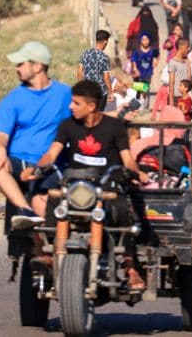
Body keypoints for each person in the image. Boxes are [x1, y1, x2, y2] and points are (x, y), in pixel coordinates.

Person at [22, 80, 148, 291]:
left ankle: (130, 268)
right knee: (54, 201)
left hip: (106, 187)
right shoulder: (68, 125)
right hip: (75, 187)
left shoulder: (114, 127)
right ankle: (49, 255)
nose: (71, 107)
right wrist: (36, 169)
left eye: (76, 103)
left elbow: (127, 159)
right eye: (71, 102)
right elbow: (52, 154)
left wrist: (137, 172)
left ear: (91, 106)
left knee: (124, 213)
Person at [0, 41, 72, 229]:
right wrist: (0, 150)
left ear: (38, 66)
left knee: (48, 217)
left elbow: (86, 117)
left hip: (51, 164)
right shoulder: (13, 98)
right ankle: (24, 209)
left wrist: (120, 113)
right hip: (19, 163)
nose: (16, 68)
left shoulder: (65, 93)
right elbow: (1, 135)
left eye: (21, 64)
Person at [77, 29, 113, 99]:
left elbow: (79, 72)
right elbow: (106, 77)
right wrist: (110, 92)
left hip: (87, 92)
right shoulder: (104, 57)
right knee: (99, 110)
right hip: (100, 93)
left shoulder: (85, 53)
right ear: (105, 41)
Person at [165, 38, 192, 108]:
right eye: (187, 47)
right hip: (176, 98)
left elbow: (189, 81)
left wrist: (188, 66)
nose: (188, 49)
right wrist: (171, 101)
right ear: (181, 47)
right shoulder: (172, 62)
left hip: (185, 97)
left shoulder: (186, 62)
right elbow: (171, 83)